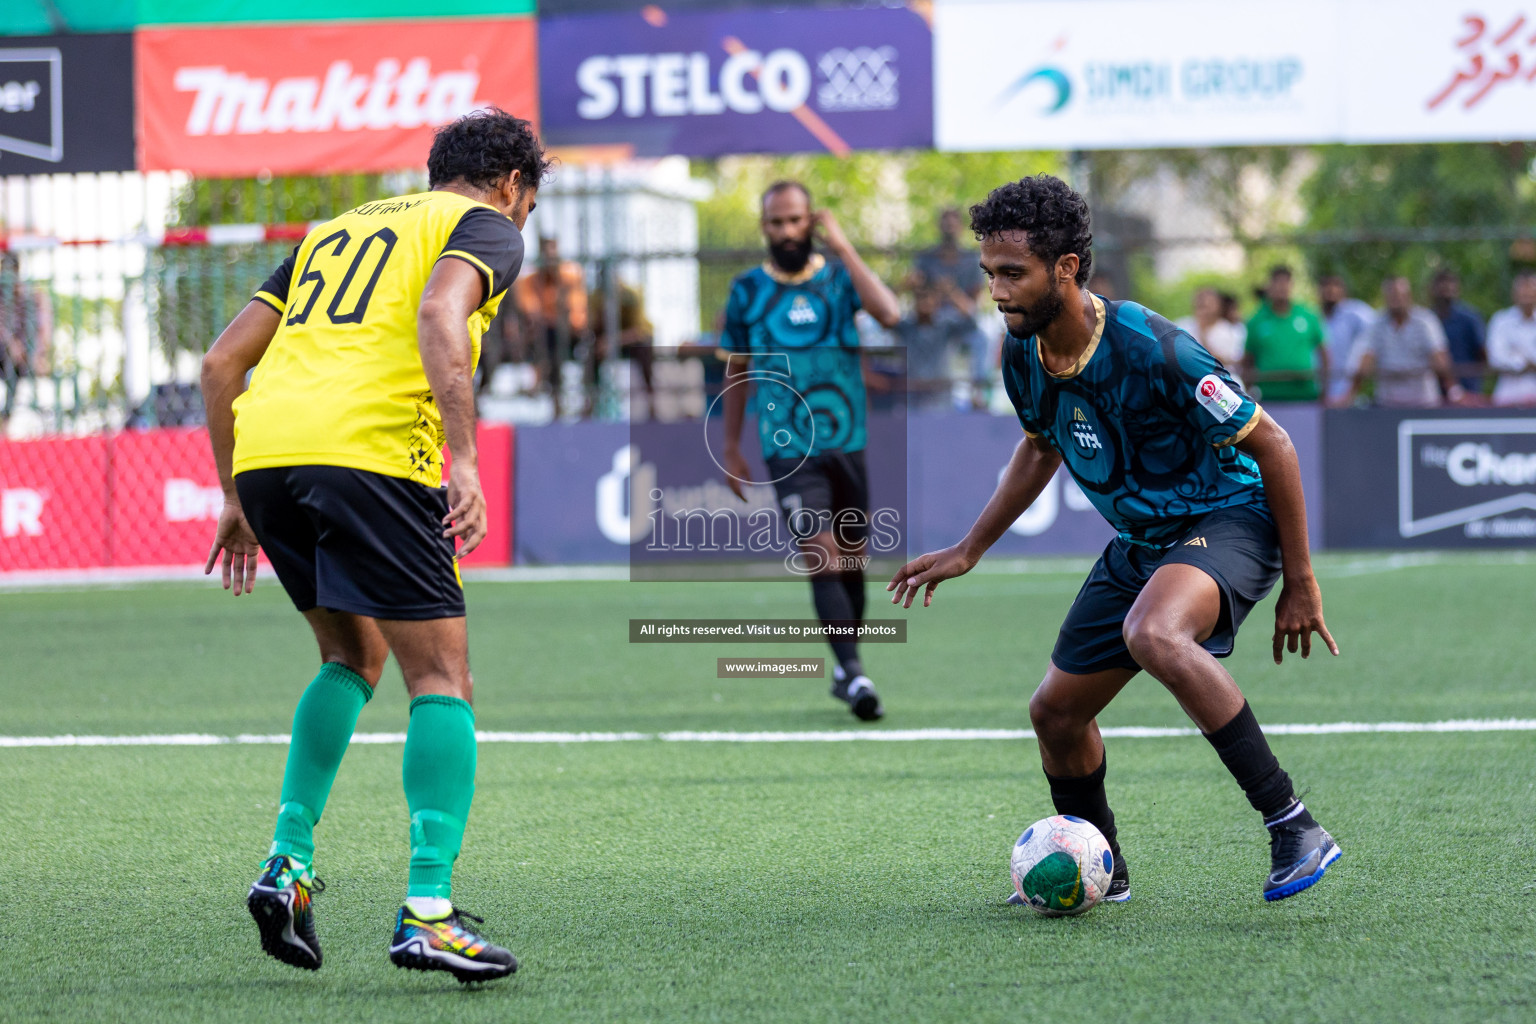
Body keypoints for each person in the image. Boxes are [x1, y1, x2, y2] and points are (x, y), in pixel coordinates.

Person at [889, 175, 1341, 904]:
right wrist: (969, 548)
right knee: (1055, 713)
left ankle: (1294, 825)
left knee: (1154, 632)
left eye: (1013, 274)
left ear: (1065, 268)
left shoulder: (1155, 347)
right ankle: (1100, 863)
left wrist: (1301, 580)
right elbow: (1040, 448)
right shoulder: (1022, 352)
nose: (996, 291)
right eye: (990, 274)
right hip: (1143, 540)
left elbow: (1277, 446)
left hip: (1228, 518)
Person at [200, 109, 546, 983]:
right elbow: (440, 310)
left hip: (273, 454)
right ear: (512, 184)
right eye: (529, 203)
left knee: (350, 655)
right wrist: (463, 459)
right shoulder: (484, 228)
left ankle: (288, 862)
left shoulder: (335, 231)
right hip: (374, 455)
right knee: (444, 677)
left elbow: (219, 364)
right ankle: (428, 911)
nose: (524, 220)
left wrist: (237, 491)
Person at [720, 181, 901, 721]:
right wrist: (731, 445)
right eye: (776, 222)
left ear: (811, 222)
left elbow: (890, 314)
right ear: (764, 228)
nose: (786, 231)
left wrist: (844, 246)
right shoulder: (747, 290)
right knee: (819, 553)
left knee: (851, 562)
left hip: (847, 442)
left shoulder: (839, 278)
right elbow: (736, 367)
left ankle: (847, 668)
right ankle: (856, 672)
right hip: (788, 447)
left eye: (796, 220)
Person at [915, 207, 993, 409]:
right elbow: (918, 293)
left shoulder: (970, 258)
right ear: (939, 226)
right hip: (935, 319)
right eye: (945, 223)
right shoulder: (926, 257)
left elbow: (973, 305)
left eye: (953, 224)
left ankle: (978, 394)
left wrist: (950, 291)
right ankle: (930, 395)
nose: (949, 228)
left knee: (984, 338)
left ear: (959, 227)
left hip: (961, 319)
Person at [1344, 277, 1464, 407]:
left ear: (1409, 296)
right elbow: (1365, 360)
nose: (1396, 300)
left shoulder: (1425, 322)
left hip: (1423, 402)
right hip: (1387, 403)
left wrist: (1454, 391)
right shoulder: (1376, 324)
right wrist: (1351, 394)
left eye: (1399, 295)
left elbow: (1440, 358)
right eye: (1392, 295)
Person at [516, 235, 587, 418]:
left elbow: (577, 312)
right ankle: (551, 389)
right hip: (541, 334)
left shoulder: (570, 278)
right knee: (547, 335)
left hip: (568, 334)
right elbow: (530, 310)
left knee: (558, 336)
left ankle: (542, 378)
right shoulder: (530, 280)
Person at [1243, 266, 1328, 402]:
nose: (1282, 287)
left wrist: (1325, 390)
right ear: (1269, 286)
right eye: (1277, 282)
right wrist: (1248, 392)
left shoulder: (1308, 316)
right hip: (1269, 395)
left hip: (1305, 394)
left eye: (1286, 282)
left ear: (1292, 285)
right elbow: (1248, 359)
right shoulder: (1256, 320)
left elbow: (1324, 352)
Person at [894, 277, 965, 413]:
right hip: (913, 396)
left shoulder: (947, 326)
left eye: (928, 297)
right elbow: (883, 313)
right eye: (920, 297)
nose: (924, 302)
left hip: (941, 396)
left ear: (936, 302)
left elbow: (972, 320)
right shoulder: (905, 326)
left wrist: (952, 291)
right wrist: (903, 286)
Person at [0, 251, 51, 429]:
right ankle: (5, 420)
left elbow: (43, 330)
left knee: (13, 368)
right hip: (5, 352)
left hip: (23, 357)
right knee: (7, 358)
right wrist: (11, 345)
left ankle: (5, 420)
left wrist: (39, 354)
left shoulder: (30, 296)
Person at [1318, 275, 1376, 402]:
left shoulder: (1354, 312)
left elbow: (1378, 326)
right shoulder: (1316, 317)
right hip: (1321, 391)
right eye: (1326, 286)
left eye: (1335, 285)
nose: (1331, 290)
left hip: (1349, 389)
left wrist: (1364, 359)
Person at [1430, 269, 1487, 395]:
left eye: (1450, 283)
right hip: (1434, 391)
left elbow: (1482, 353)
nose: (1446, 288)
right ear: (1433, 289)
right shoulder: (1427, 319)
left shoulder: (1470, 318)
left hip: (1468, 387)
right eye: (1441, 284)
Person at [1488, 270, 1536, 406]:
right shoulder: (1501, 320)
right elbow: (1496, 357)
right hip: (1508, 396)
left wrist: (1515, 353)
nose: (1526, 292)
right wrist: (1523, 363)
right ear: (1513, 293)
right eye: (1522, 287)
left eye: (1530, 287)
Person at [1177, 287, 1245, 376]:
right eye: (1201, 302)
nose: (1204, 305)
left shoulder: (1229, 331)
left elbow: (1228, 361)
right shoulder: (1182, 325)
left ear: (1219, 306)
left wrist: (1202, 334)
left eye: (1208, 303)